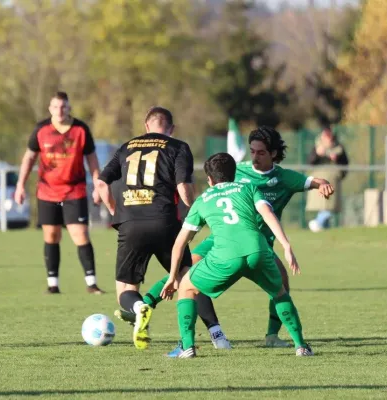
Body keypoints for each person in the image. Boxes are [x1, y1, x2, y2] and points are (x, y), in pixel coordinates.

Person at [119, 126, 333, 349]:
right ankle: (146, 305)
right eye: (252, 151)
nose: (255, 157)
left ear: (273, 154)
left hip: (257, 241)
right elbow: (219, 182)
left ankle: (271, 336)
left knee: (282, 284)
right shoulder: (236, 171)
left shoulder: (285, 178)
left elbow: (311, 181)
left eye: (261, 153)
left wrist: (323, 184)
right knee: (187, 268)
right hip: (224, 239)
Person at [95, 106, 227, 350]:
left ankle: (138, 307)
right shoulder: (178, 147)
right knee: (189, 279)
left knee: (125, 289)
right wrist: (199, 212)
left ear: (146, 126)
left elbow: (102, 184)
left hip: (130, 224)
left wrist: (117, 213)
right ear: (171, 129)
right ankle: (217, 336)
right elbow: (183, 189)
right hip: (166, 222)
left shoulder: (127, 147)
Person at [161, 152, 313, 358]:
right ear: (234, 174)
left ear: (210, 179)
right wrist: (286, 245)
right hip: (257, 251)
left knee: (187, 287)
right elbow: (268, 214)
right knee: (279, 292)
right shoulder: (249, 188)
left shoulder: (203, 199)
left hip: (225, 257)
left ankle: (187, 347)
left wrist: (172, 278)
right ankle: (301, 346)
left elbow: (179, 243)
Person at [14, 92, 104, 294]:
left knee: (80, 234)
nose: (60, 110)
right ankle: (52, 284)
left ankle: (92, 283)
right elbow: (29, 158)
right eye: (55, 107)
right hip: (47, 191)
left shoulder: (80, 129)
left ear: (69, 108)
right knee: (51, 235)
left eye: (63, 107)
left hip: (74, 190)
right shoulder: (41, 129)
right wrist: (20, 184)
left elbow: (92, 159)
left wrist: (98, 186)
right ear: (50, 108)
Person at [306, 126, 348, 232]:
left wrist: (336, 159)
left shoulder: (339, 148)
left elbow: (345, 164)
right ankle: (322, 226)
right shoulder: (316, 147)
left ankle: (318, 224)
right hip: (319, 181)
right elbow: (310, 162)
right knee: (323, 205)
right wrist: (317, 154)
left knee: (330, 206)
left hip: (333, 180)